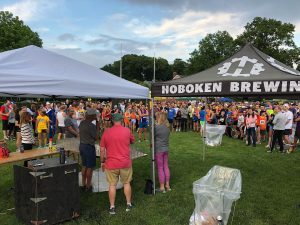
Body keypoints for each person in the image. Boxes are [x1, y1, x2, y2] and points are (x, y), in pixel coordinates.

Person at [100, 113, 135, 215]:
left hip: (111, 163)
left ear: (112, 121)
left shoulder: (106, 132)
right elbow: (132, 141)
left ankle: (112, 207)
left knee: (112, 185)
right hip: (125, 162)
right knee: (126, 183)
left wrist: (102, 161)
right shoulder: (127, 130)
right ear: (122, 120)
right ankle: (128, 204)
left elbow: (102, 150)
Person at [79, 108, 97, 192]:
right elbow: (96, 137)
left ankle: (83, 184)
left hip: (82, 145)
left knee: (84, 165)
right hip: (89, 147)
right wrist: (98, 125)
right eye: (95, 115)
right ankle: (88, 186)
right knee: (90, 167)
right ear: (92, 116)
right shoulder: (92, 126)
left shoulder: (82, 123)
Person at [154, 112, 171, 193]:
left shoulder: (157, 127)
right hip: (165, 149)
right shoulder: (167, 127)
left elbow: (152, 136)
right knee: (166, 166)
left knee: (160, 167)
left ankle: (162, 187)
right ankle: (167, 185)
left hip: (159, 149)